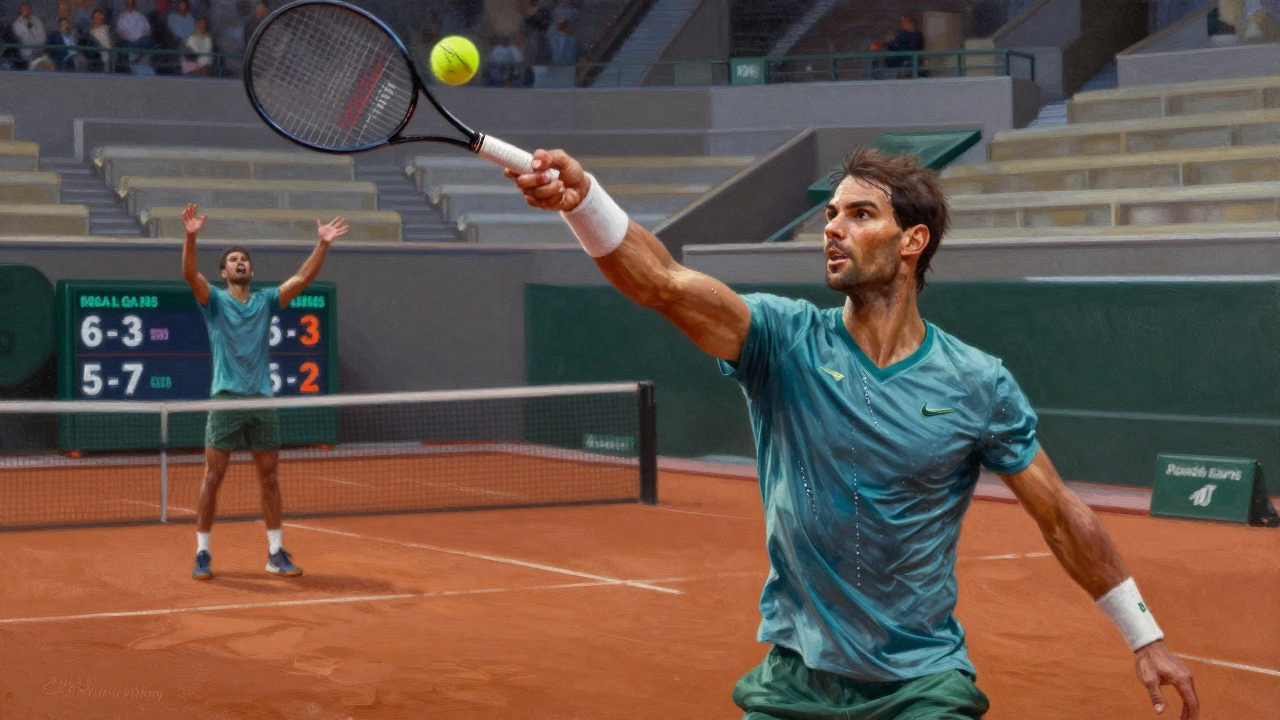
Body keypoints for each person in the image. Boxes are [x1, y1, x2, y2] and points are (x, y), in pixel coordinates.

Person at [502, 148, 1202, 719]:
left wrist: (1145, 636)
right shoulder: (781, 340)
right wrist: (583, 202)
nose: (832, 229)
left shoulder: (977, 382)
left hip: (922, 687)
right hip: (795, 682)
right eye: (830, 215)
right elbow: (662, 282)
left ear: (912, 241)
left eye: (860, 215)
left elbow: (1060, 514)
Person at [181, 203, 348, 581]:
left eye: (244, 260)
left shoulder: (266, 301)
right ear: (224, 273)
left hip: (261, 399)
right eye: (233, 260)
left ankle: (275, 553)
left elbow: (302, 278)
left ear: (250, 271)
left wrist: (323, 243)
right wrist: (191, 236)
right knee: (213, 477)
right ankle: (203, 552)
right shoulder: (215, 301)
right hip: (226, 398)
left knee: (269, 478)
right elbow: (190, 273)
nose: (240, 263)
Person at [10, 3, 48, 67]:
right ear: (21, 11)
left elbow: (42, 35)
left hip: (40, 51)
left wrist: (39, 48)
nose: (26, 11)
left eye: (27, 9)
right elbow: (26, 38)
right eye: (24, 10)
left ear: (31, 10)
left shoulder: (36, 20)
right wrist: (34, 50)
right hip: (27, 54)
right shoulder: (17, 24)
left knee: (49, 67)